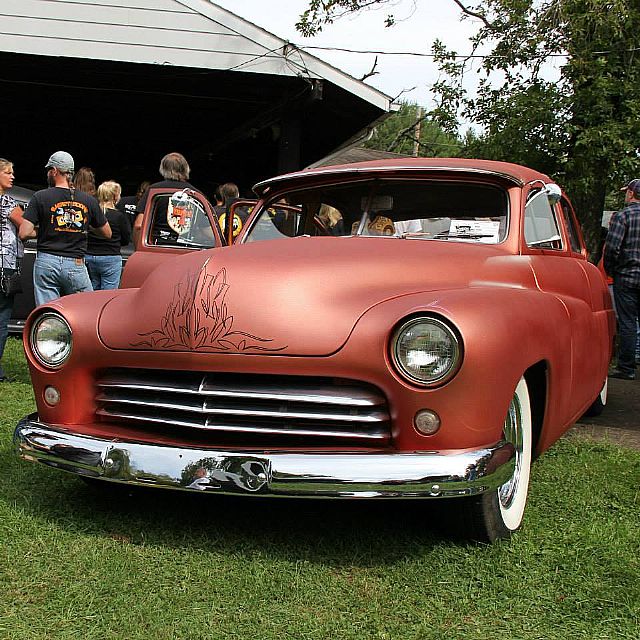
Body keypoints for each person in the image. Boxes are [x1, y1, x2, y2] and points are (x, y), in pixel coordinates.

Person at [19, 151, 111, 305]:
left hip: (46, 261)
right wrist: (84, 225)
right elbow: (107, 233)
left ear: (54, 171)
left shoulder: (40, 197)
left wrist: (49, 228)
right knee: (86, 309)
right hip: (75, 263)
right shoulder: (87, 200)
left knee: (48, 314)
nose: (48, 174)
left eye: (49, 170)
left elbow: (24, 232)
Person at [604, 178, 640, 380]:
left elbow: (612, 247)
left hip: (627, 276)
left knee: (627, 322)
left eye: (627, 191)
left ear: (631, 194)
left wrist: (611, 269)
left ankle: (626, 368)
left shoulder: (623, 216)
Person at [132, 152, 200, 244]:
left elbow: (139, 225)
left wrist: (139, 250)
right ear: (186, 169)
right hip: (186, 248)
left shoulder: (153, 190)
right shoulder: (195, 194)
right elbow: (204, 229)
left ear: (162, 169)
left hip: (156, 246)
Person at [0, 158, 25, 382]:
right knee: (2, 315)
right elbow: (25, 228)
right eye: (8, 172)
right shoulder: (8, 202)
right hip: (3, 266)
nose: (12, 176)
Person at [86, 180, 131, 290]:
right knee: (108, 294)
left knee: (91, 289)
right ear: (115, 196)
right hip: (110, 256)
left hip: (90, 255)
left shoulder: (91, 213)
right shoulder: (119, 216)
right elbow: (126, 239)